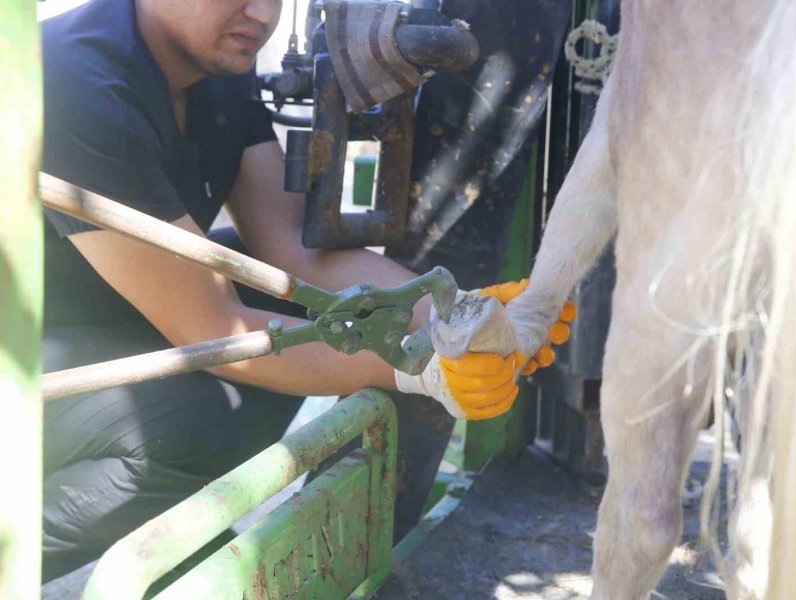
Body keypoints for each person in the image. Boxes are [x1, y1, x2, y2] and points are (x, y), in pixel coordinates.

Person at [38, 0, 571, 581]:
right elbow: (214, 325)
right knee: (194, 423)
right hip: (30, 355)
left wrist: (461, 315)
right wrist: (417, 367)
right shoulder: (78, 85)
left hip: (105, 312)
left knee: (277, 336)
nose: (261, 13)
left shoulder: (215, 68)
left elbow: (293, 246)